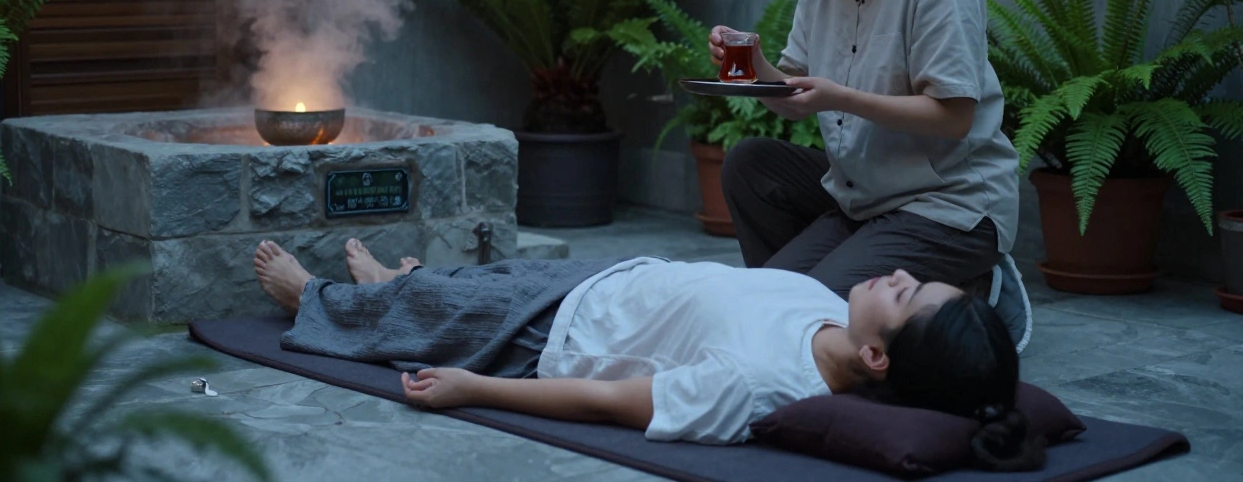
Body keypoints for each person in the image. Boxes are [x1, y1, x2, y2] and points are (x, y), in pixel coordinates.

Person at [252, 238, 1045, 470]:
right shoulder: (837, 314)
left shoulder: (758, 386)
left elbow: (607, 407)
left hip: (556, 338)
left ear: (879, 360)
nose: (900, 275)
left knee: (437, 310)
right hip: (609, 284)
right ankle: (404, 286)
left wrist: (473, 391)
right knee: (447, 290)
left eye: (906, 295)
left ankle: (314, 297)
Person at [708, 0, 1021, 300]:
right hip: (863, 201)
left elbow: (954, 116)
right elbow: (794, 98)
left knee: (809, 308)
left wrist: (841, 97)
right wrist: (749, 66)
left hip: (948, 206)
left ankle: (966, 287)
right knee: (752, 167)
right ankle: (827, 301)